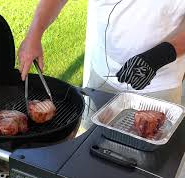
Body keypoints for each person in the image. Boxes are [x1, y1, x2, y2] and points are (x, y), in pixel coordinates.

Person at [18, 0, 185, 105]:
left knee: (148, 156)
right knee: (92, 149)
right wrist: (34, 34)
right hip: (103, 75)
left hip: (159, 85)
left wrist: (160, 55)